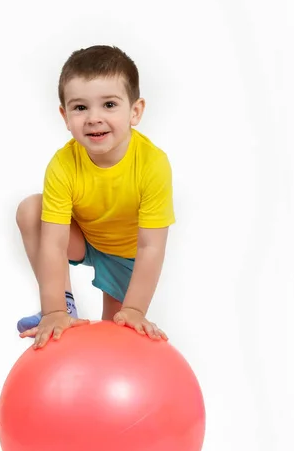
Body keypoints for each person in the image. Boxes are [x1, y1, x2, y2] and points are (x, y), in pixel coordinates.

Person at [15, 45, 175, 349]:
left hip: (128, 256)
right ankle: (66, 304)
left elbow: (151, 245)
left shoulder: (153, 164)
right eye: (80, 108)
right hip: (85, 240)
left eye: (109, 104)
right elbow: (53, 242)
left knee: (116, 336)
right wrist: (54, 311)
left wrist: (134, 309)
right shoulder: (63, 164)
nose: (93, 118)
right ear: (64, 115)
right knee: (30, 210)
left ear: (135, 111)